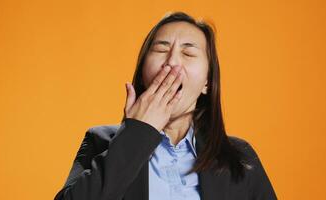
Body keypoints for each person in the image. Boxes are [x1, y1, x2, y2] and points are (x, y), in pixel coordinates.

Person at [54, 11, 277, 200]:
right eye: (161, 50)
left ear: (207, 83)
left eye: (188, 53)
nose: (171, 62)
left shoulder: (239, 157)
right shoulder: (100, 141)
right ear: (143, 75)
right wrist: (136, 135)